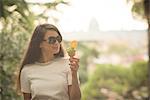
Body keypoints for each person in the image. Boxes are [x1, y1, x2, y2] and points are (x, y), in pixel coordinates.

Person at [17, 24, 81, 100]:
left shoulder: (68, 64)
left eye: (58, 39)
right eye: (52, 40)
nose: (57, 43)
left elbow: (76, 99)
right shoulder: (26, 70)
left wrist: (74, 74)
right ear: (40, 43)